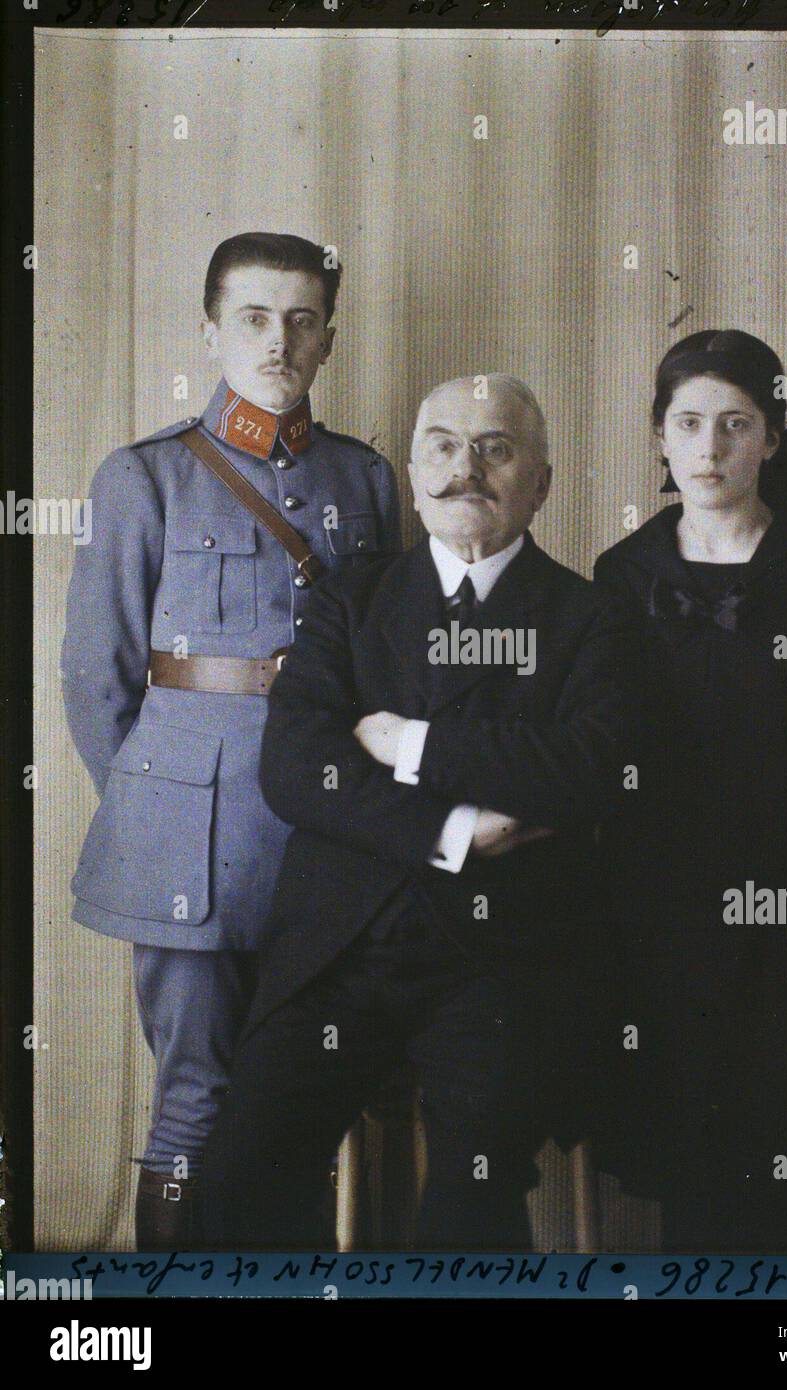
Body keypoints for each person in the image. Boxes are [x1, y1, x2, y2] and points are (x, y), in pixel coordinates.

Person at [199, 374, 630, 1251]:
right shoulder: (348, 600)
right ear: (412, 469)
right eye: (441, 445)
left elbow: (586, 770)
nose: (464, 468)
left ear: (541, 482)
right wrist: (453, 830)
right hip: (340, 949)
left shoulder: (590, 616)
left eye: (495, 449)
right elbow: (293, 767)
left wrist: (404, 742)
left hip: (502, 963)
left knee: (471, 1202)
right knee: (236, 1184)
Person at [61, 232, 400, 1250]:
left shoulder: (365, 480)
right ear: (211, 329)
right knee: (194, 1099)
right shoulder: (146, 478)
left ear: (328, 339)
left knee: (297, 1098)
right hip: (187, 848)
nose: (278, 341)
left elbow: (387, 659)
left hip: (326, 843)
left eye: (301, 320)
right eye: (253, 317)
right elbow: (96, 678)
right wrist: (159, 803)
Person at [594, 329, 787, 1253]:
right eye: (689, 423)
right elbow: (603, 758)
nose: (711, 447)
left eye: (736, 424)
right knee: (688, 1158)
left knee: (773, 1159)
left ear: (770, 438)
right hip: (664, 922)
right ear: (659, 436)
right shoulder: (623, 580)